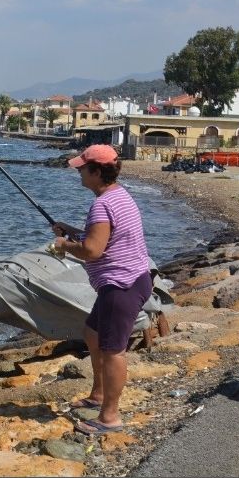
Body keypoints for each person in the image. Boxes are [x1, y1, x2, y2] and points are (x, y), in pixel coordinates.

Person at [50, 144, 152, 435]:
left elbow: (93, 250)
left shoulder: (102, 205)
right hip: (133, 279)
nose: (79, 171)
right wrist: (73, 231)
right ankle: (98, 395)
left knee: (113, 351)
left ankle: (110, 417)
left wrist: (63, 245)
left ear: (97, 171)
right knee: (92, 333)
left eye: (83, 167)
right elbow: (105, 238)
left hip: (121, 286)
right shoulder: (119, 196)